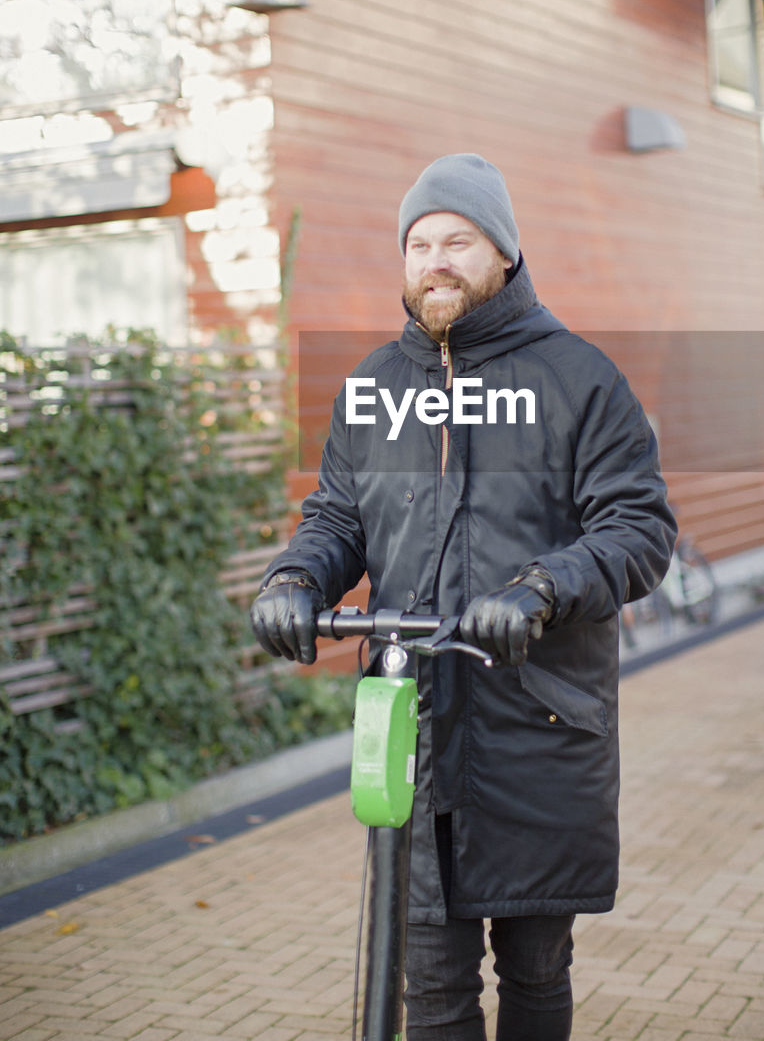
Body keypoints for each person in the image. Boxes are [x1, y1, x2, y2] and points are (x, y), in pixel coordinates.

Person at [250, 152, 677, 1041]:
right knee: (432, 986)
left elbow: (637, 531)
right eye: (418, 244)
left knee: (533, 969)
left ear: (506, 256)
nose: (434, 260)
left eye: (458, 240)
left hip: (539, 722)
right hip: (414, 726)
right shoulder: (373, 387)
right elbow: (336, 519)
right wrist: (295, 578)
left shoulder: (579, 380)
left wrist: (541, 589)